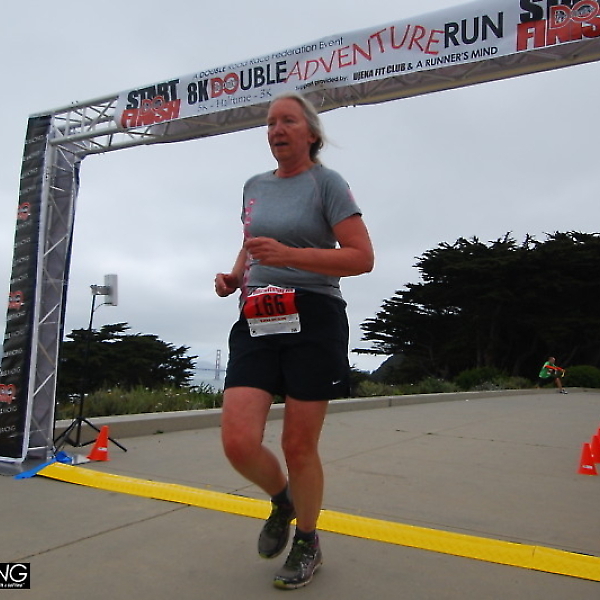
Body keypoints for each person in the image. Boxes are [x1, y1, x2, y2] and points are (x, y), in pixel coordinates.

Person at [215, 91, 374, 590]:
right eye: (270, 123)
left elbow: (361, 257)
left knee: (298, 444)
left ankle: (308, 540)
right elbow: (251, 242)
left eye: (287, 121)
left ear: (311, 133)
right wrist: (236, 276)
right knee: (238, 441)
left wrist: (289, 256)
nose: (277, 130)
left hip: (314, 315)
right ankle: (282, 500)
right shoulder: (254, 186)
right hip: (258, 314)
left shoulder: (327, 183)